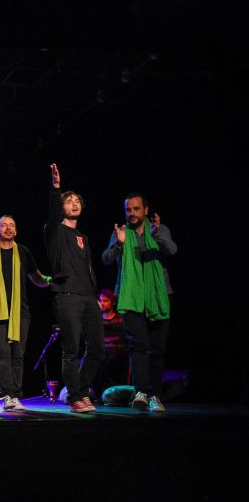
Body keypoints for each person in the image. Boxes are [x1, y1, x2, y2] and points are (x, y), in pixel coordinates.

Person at [102, 193, 176, 412]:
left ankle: (155, 395)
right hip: (131, 296)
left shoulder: (159, 230)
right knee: (137, 346)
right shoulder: (121, 232)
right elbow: (106, 258)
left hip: (158, 295)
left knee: (157, 348)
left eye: (136, 209)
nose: (132, 213)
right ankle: (141, 391)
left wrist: (156, 235)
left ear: (145, 210)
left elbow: (172, 250)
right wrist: (119, 244)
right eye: (128, 210)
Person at [44, 163, 105, 413]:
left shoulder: (83, 236)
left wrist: (95, 295)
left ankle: (79, 390)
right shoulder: (55, 231)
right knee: (71, 350)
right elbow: (51, 214)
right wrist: (56, 188)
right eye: (69, 201)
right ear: (61, 207)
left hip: (89, 297)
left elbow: (88, 268)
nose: (74, 204)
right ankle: (77, 398)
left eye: (77, 201)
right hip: (67, 296)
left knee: (98, 348)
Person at [0, 215, 51, 411]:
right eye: (4, 226)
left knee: (18, 355)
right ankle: (7, 395)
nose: (8, 228)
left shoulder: (23, 252)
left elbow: (37, 277)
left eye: (11, 225)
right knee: (2, 354)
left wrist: (52, 280)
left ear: (16, 231)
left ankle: (16, 395)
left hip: (20, 312)